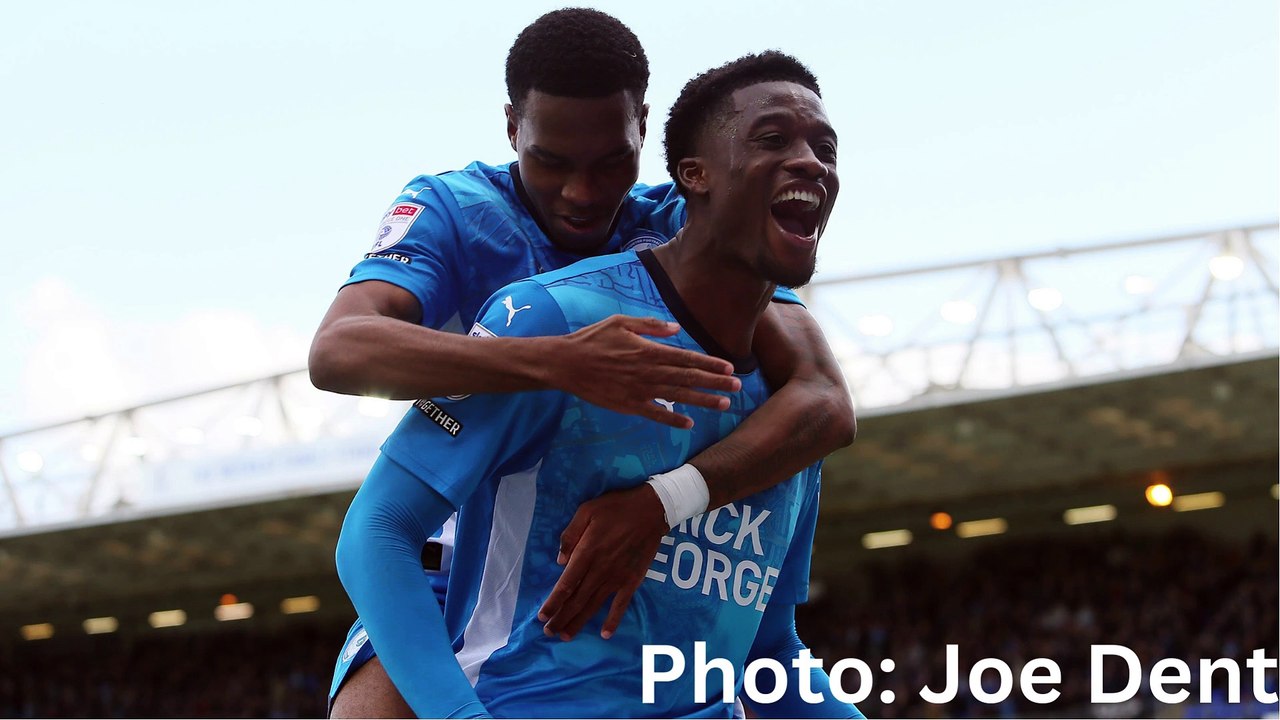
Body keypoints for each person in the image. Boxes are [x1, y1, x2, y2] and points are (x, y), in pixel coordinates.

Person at [312, 8, 853, 716]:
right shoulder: (452, 211)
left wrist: (666, 502)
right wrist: (556, 362)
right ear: (513, 128)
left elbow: (820, 399)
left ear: (643, 129)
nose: (584, 193)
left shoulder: (687, 221)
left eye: (610, 163)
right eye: (553, 162)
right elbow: (339, 351)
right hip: (444, 548)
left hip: (612, 559)